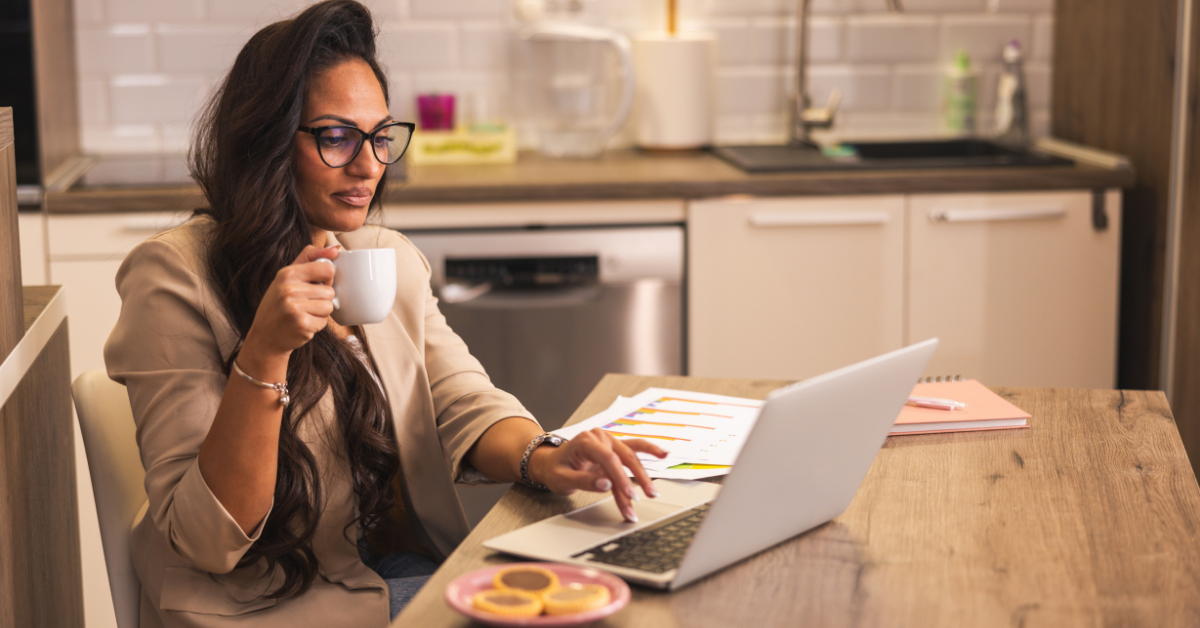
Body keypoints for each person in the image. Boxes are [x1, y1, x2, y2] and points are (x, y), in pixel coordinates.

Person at [104, 2, 666, 626]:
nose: (369, 166)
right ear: (267, 139)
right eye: (336, 137)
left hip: (386, 570)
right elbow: (208, 538)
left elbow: (460, 400)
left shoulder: (382, 256)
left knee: (598, 595)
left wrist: (544, 455)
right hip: (265, 604)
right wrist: (264, 353)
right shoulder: (173, 276)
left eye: (378, 137)